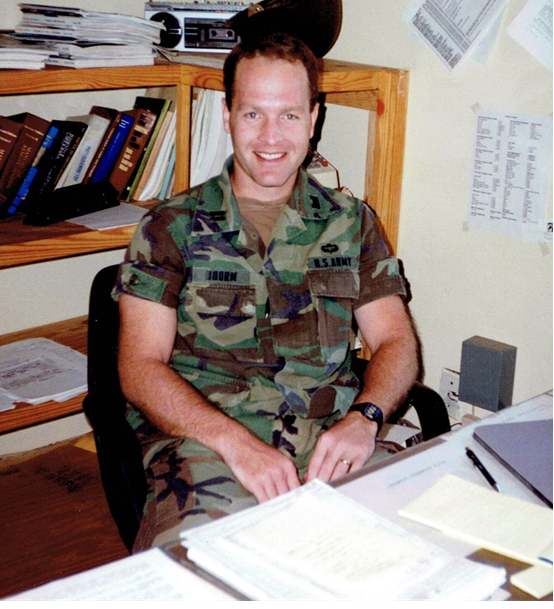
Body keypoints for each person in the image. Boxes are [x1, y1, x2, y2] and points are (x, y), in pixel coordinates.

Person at [113, 31, 419, 552]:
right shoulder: (171, 226)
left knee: (421, 550)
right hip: (208, 444)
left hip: (330, 438)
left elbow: (396, 342)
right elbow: (139, 367)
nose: (271, 136)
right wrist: (238, 445)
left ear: (314, 118)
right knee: (206, 574)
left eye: (290, 115)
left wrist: (364, 420)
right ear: (228, 114)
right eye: (254, 114)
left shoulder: (351, 222)